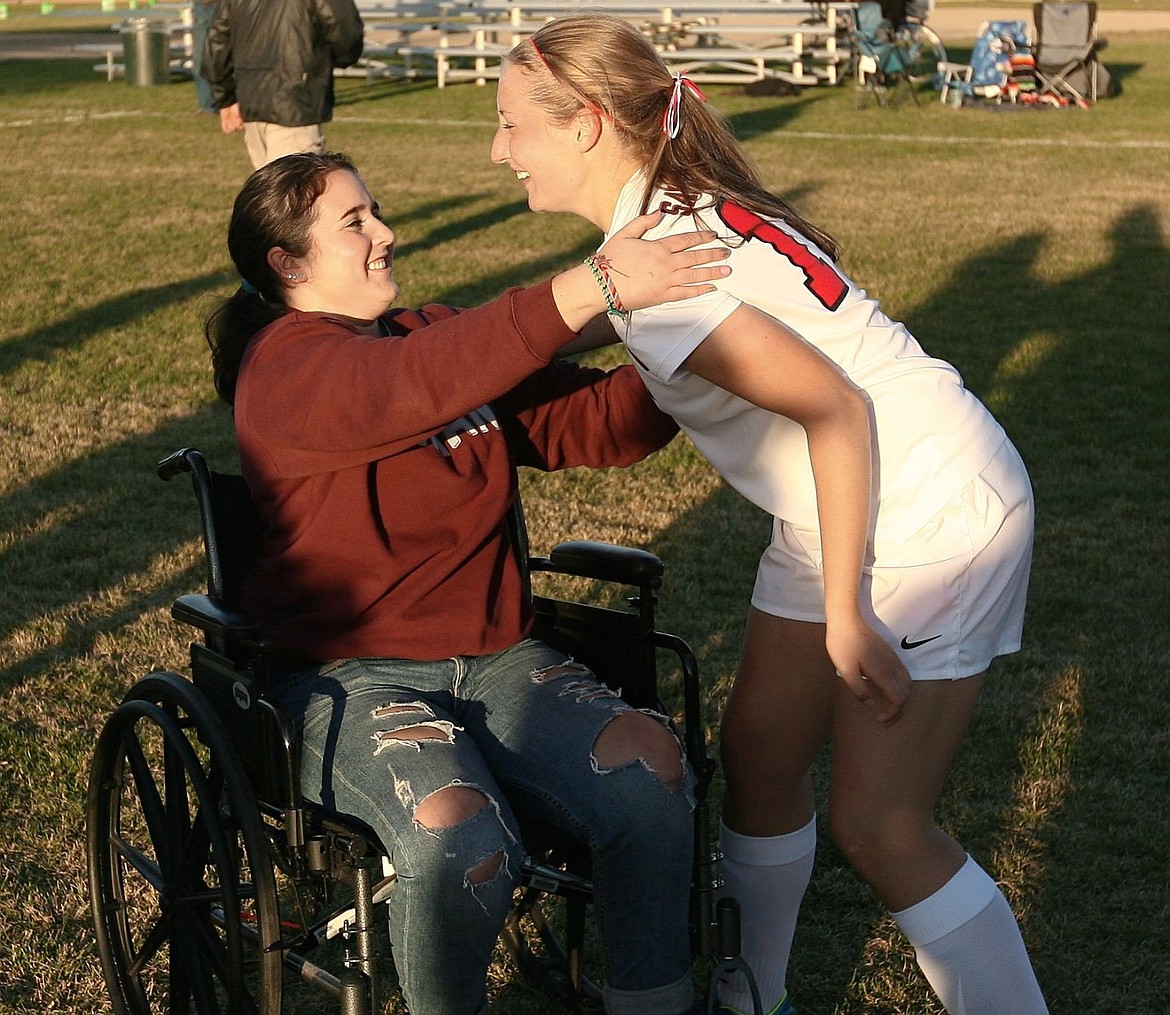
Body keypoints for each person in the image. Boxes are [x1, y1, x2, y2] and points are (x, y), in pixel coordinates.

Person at [491, 15, 1047, 1015]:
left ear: (582, 125)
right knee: (757, 752)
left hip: (929, 508)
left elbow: (833, 408)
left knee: (881, 825)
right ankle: (755, 998)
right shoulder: (661, 221)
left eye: (510, 126)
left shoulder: (659, 271)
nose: (498, 150)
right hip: (843, 502)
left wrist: (845, 613)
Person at [204, 150, 733, 1015]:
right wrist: (592, 284)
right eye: (355, 222)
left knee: (654, 776)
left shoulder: (433, 337)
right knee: (458, 835)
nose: (386, 232)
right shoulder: (284, 368)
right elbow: (407, 386)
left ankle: (657, 1003)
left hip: (498, 658)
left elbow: (600, 426)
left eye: (376, 211)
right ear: (288, 263)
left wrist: (687, 342)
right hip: (346, 678)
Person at [202, 0, 363, 169]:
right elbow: (344, 27)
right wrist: (338, 59)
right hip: (296, 98)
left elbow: (217, 40)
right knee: (293, 189)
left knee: (269, 189)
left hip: (254, 97)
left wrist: (225, 96)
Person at [190, 0, 218, 114]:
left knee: (226, 59)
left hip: (221, 6)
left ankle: (230, 104)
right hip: (201, 6)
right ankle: (206, 106)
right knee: (200, 61)